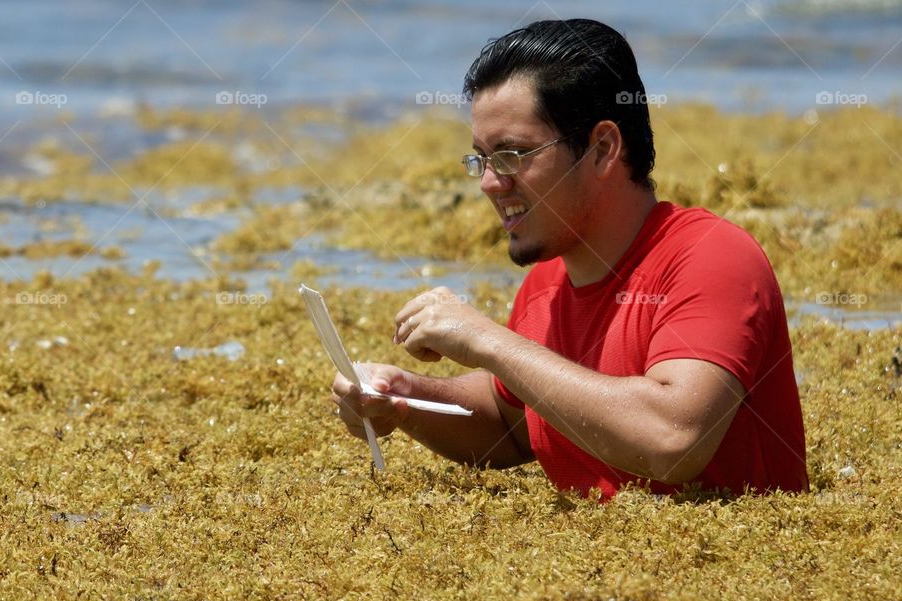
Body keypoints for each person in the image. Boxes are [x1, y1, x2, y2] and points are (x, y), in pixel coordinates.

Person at [331, 18, 808, 500]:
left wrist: (486, 340)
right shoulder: (546, 284)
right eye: (482, 158)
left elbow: (675, 440)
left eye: (513, 154)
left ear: (602, 149)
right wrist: (405, 397)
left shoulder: (711, 256)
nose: (490, 183)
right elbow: (514, 426)